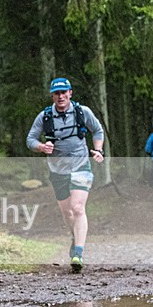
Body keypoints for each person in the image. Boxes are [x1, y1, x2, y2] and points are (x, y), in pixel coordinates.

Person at [26, 77, 105, 273]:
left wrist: (98, 150)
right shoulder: (45, 116)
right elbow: (30, 139)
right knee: (67, 212)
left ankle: (78, 253)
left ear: (70, 93)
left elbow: (97, 130)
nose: (60, 96)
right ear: (52, 96)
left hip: (80, 166)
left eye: (63, 92)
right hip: (57, 170)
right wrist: (41, 147)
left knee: (78, 208)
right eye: (56, 93)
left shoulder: (82, 112)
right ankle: (75, 237)